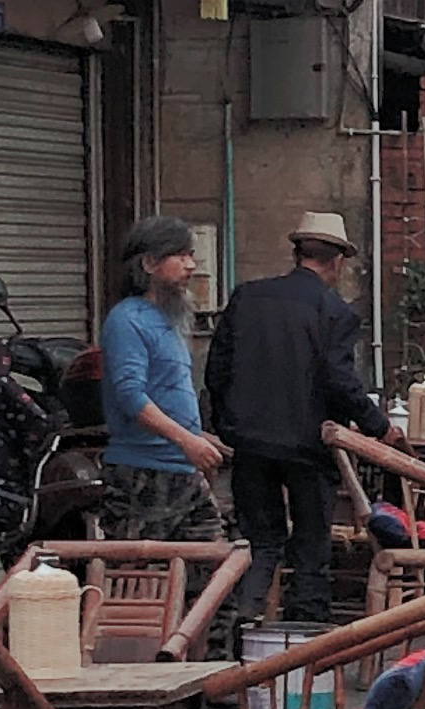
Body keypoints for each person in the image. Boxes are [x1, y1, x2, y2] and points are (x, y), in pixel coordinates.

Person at [206, 209, 389, 628]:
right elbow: (339, 380)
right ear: (337, 260)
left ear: (297, 252)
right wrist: (378, 426)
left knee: (259, 542)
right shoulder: (334, 312)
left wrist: (227, 425)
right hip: (308, 445)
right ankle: (305, 638)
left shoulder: (247, 297)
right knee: (310, 546)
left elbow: (217, 371)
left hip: (249, 442)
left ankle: (243, 626)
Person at [97, 216, 229, 543]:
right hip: (142, 475)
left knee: (213, 572)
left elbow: (167, 392)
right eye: (180, 256)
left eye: (191, 255)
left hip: (183, 473)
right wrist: (186, 440)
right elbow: (131, 396)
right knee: (136, 580)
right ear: (149, 263)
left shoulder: (168, 321)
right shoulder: (126, 320)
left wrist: (199, 437)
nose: (191, 266)